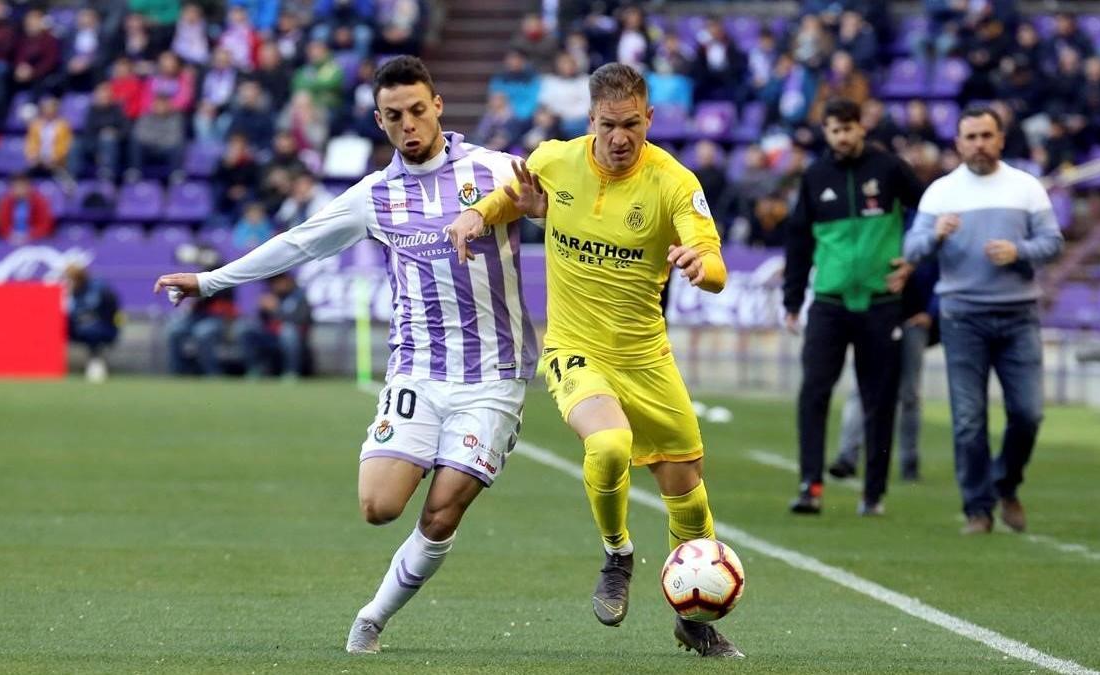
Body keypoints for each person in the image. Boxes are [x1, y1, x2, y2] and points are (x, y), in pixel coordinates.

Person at [153, 55, 537, 655]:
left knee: (439, 516)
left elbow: (569, 201)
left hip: (493, 376)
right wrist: (211, 281)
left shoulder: (495, 171)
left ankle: (372, 618)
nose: (408, 124)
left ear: (437, 105)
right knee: (378, 507)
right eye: (393, 116)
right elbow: (298, 243)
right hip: (417, 370)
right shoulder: (374, 196)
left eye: (416, 110)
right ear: (379, 122)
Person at [449, 63, 742, 658]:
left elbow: (714, 263)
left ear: (649, 119)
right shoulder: (554, 160)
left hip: (646, 357)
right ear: (590, 121)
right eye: (608, 125)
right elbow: (512, 197)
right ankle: (617, 553)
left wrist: (697, 266)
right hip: (575, 348)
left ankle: (694, 619)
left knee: (687, 488)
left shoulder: (674, 183)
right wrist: (479, 213)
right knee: (607, 446)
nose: (619, 138)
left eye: (632, 124)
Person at [903, 106, 1063, 535]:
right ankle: (978, 508)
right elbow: (912, 248)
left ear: (1001, 139)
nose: (979, 144)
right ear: (957, 143)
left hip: (1019, 315)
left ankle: (1005, 483)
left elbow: (1053, 242)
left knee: (1028, 414)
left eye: (986, 135)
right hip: (962, 317)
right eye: (970, 136)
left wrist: (1020, 251)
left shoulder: (1026, 187)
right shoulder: (940, 193)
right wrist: (935, 234)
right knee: (969, 419)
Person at [782, 97, 925, 517]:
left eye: (849, 128)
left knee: (879, 399)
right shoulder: (815, 177)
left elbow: (929, 214)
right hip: (828, 303)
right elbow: (799, 242)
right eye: (834, 129)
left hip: (882, 303)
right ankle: (810, 486)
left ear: (861, 128)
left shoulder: (891, 170)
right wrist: (792, 300)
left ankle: (873, 494)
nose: (842, 136)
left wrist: (913, 266)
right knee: (813, 393)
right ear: (826, 132)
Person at [830, 258, 940, 482]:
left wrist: (931, 312)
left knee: (909, 394)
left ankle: (908, 464)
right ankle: (847, 457)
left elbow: (941, 269)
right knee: (863, 388)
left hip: (912, 318)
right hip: (876, 316)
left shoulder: (920, 229)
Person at [239, 272, 312, 378]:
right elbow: (262, 321)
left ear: (286, 281)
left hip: (293, 338)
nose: (274, 285)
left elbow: (301, 319)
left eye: (276, 282)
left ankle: (291, 372)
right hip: (271, 336)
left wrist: (276, 310)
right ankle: (253, 370)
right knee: (246, 329)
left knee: (288, 331)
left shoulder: (299, 296)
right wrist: (262, 309)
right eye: (271, 283)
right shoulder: (271, 295)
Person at [63, 263, 121, 383]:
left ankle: (95, 360)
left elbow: (112, 309)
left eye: (70, 279)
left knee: (92, 331)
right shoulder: (70, 292)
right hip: (79, 327)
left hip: (104, 327)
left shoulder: (98, 289)